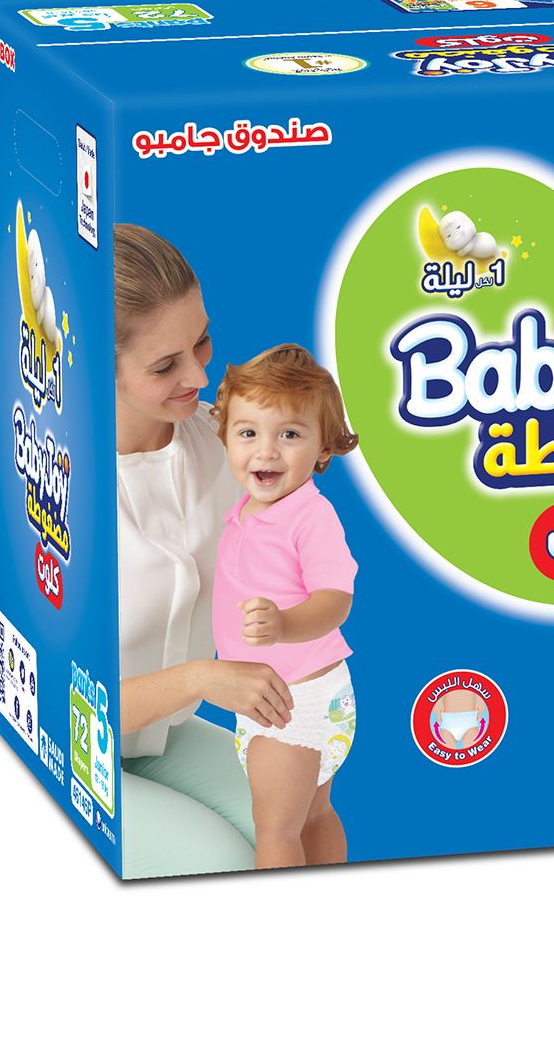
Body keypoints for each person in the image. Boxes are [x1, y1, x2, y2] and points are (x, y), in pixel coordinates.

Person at [114, 223, 295, 878]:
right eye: (165, 366)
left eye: (202, 340)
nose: (199, 373)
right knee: (221, 863)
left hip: (162, 732)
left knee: (293, 820)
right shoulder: (59, 485)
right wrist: (200, 678)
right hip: (73, 739)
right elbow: (55, 689)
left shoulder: (223, 442)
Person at [209, 345, 359, 869]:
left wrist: (284, 624)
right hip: (287, 695)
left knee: (275, 829)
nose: (266, 451)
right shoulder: (247, 510)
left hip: (292, 700)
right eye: (248, 433)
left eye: (290, 435)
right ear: (225, 436)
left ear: (323, 448)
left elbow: (336, 599)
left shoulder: (310, 516)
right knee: (313, 815)